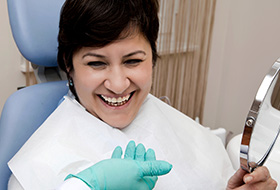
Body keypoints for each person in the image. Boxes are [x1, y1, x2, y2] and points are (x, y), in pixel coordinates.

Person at [7, 0, 277, 189]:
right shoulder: (36, 169)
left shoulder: (160, 112)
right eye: (96, 63)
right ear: (68, 63)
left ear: (152, 55)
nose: (118, 84)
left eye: (133, 61)